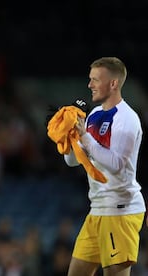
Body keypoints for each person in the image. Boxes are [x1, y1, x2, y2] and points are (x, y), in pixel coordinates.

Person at [63, 57, 145, 275]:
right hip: (97, 209)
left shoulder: (128, 119)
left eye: (95, 80)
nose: (89, 85)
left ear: (113, 84)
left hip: (120, 210)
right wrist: (68, 139)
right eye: (90, 79)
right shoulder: (94, 114)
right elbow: (73, 161)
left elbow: (116, 164)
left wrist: (85, 138)